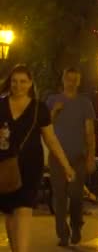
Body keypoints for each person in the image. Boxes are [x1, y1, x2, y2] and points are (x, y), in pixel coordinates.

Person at [0, 65, 75, 252]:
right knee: (9, 212)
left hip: (30, 165)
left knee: (24, 208)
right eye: (15, 81)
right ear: (9, 82)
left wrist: (66, 165)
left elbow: (51, 139)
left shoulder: (38, 108)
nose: (18, 85)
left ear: (30, 83)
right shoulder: (0, 105)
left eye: (23, 81)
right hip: (5, 165)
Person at [47, 67, 96, 247]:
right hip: (57, 158)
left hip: (78, 157)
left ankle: (76, 226)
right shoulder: (52, 100)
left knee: (76, 195)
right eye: (68, 78)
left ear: (79, 81)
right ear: (63, 79)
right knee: (59, 196)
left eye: (75, 79)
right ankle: (63, 234)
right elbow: (45, 127)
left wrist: (91, 156)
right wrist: (54, 112)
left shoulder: (85, 103)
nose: (71, 82)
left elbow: (89, 132)